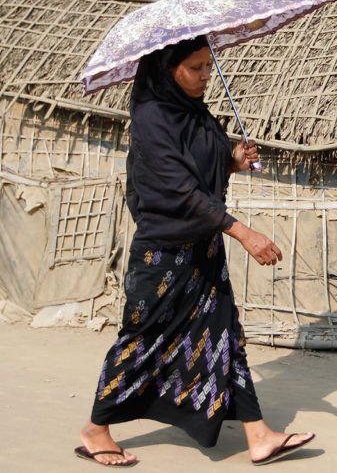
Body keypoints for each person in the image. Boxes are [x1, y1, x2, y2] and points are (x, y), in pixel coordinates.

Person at [75, 36, 314, 467]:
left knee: (224, 334)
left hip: (203, 247)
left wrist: (231, 160)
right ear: (168, 70)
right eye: (195, 67)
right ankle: (96, 429)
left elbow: (201, 166)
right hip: (163, 253)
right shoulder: (151, 116)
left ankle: (258, 435)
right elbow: (177, 188)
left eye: (208, 65)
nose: (206, 75)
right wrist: (243, 232)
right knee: (143, 338)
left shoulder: (196, 111)